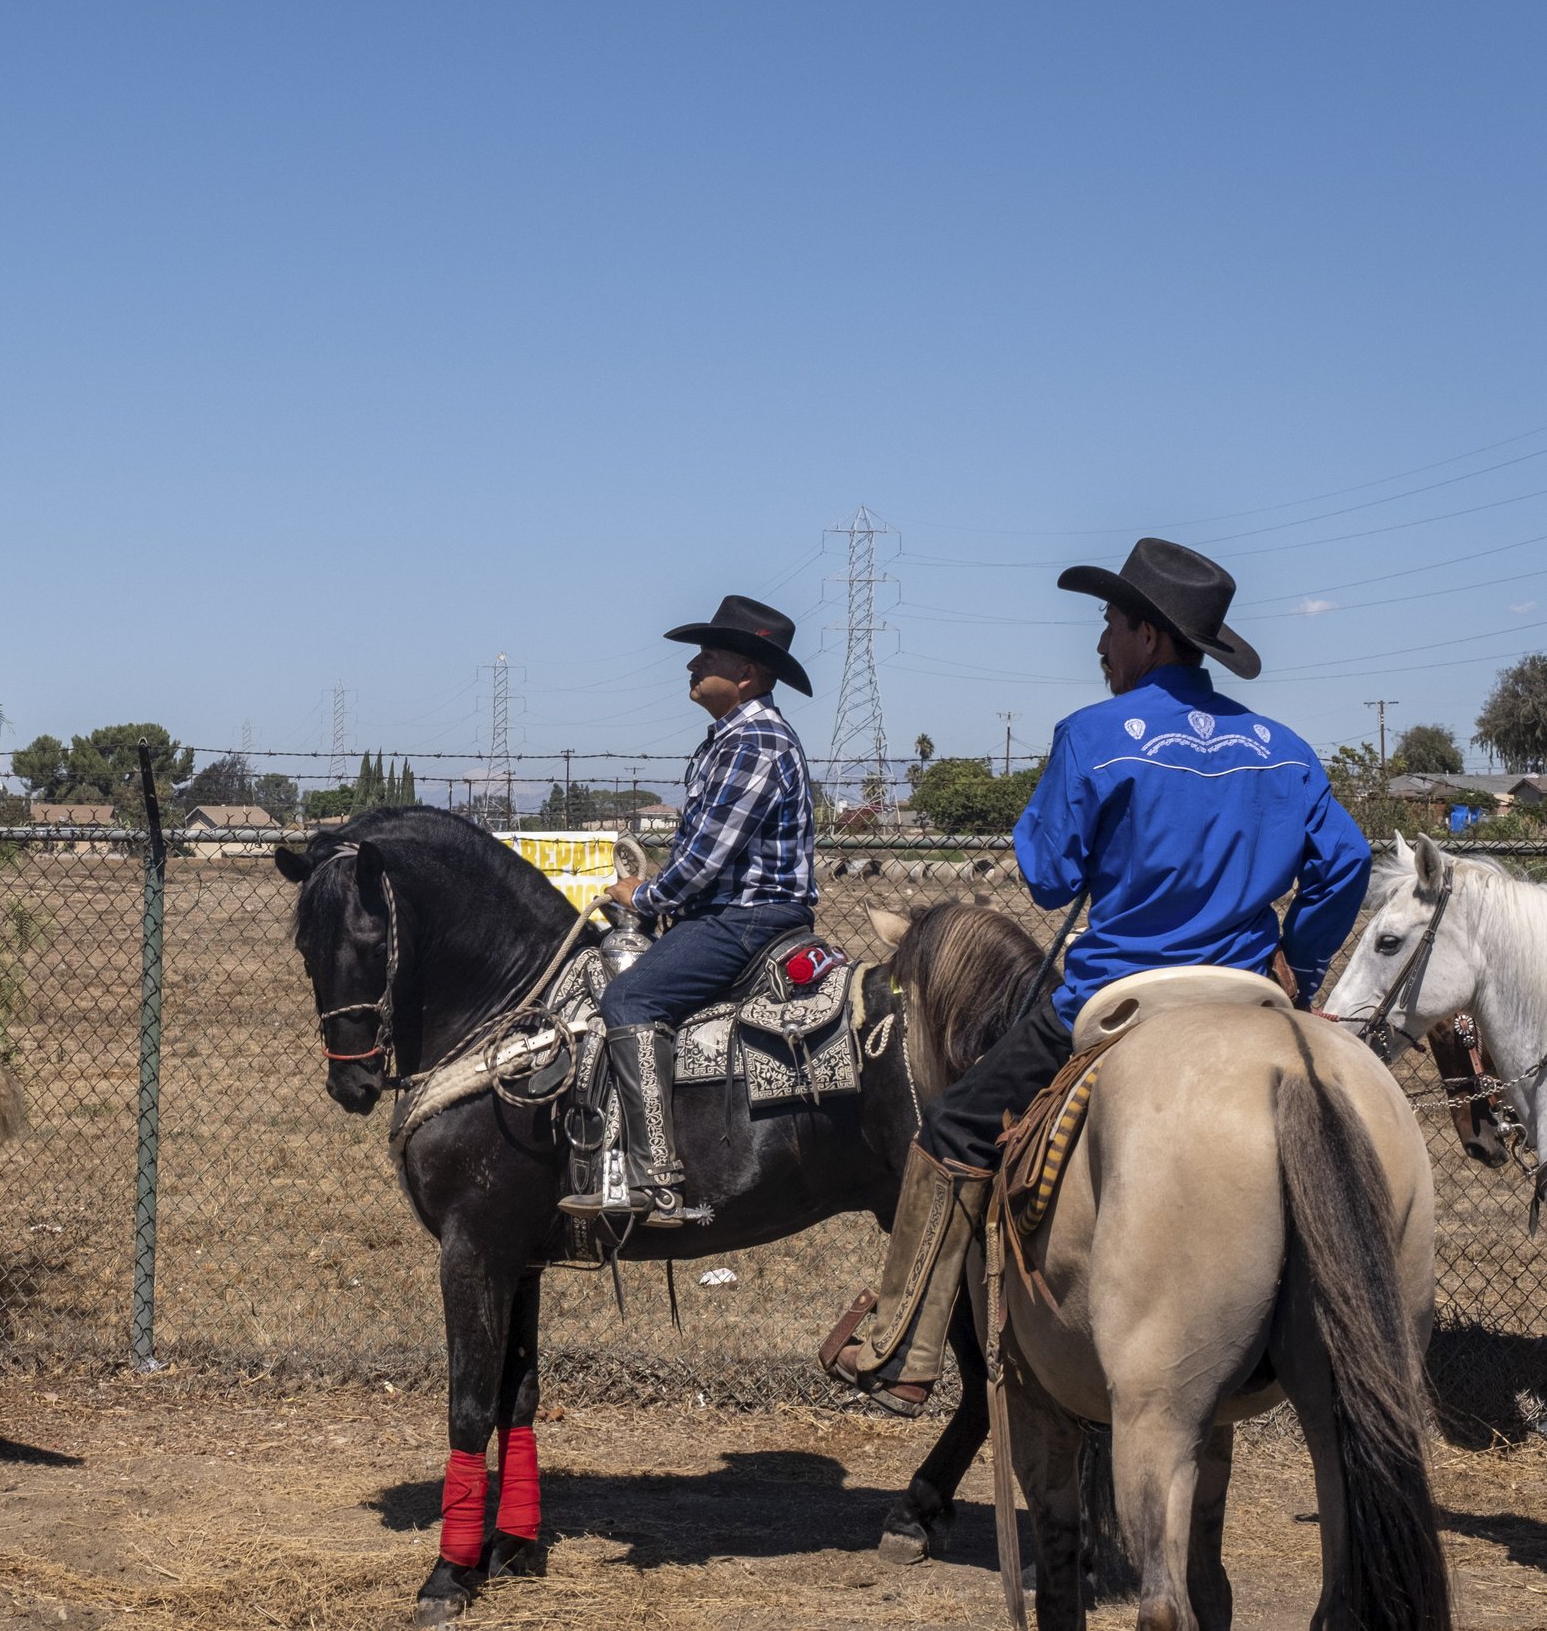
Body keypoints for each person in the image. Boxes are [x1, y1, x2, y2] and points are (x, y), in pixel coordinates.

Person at [820, 537, 1371, 1413]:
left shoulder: (1094, 734)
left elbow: (1047, 875)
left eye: (1111, 623)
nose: (1102, 643)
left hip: (1118, 1000)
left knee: (954, 1125)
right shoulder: (1284, 746)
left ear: (1150, 635)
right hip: (1247, 995)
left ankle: (901, 1346)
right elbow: (1347, 861)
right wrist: (1299, 960)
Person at [559, 595, 818, 1227]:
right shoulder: (729, 739)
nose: (694, 664)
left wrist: (643, 897)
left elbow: (705, 859)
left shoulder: (755, 740)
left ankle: (653, 1183)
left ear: (749, 674)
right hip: (730, 914)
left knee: (630, 1001)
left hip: (750, 917)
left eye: (709, 654)